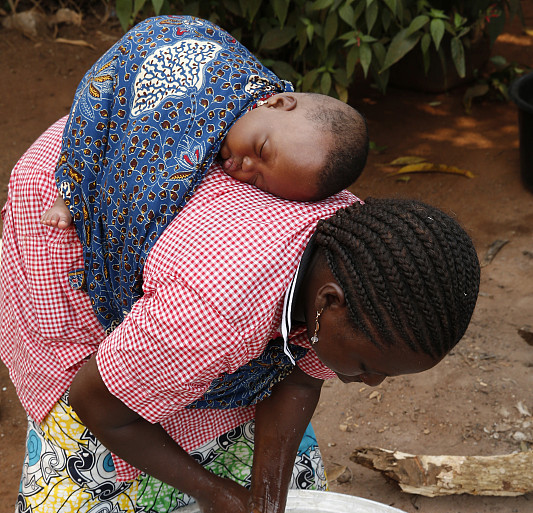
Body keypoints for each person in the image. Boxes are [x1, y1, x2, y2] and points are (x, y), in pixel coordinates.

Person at [1, 117, 480, 513]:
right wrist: (210, 492)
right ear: (329, 304)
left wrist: (266, 493)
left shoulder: (355, 258)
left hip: (199, 291)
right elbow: (99, 403)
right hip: (75, 220)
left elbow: (301, 376)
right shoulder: (216, 311)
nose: (365, 385)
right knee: (81, 470)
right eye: (367, 367)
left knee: (276, 470)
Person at [39, 14, 369, 334]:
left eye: (260, 181)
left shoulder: (268, 138)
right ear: (279, 102)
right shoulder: (231, 89)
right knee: (96, 118)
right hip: (149, 46)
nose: (245, 166)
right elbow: (146, 139)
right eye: (262, 149)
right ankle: (72, 188)